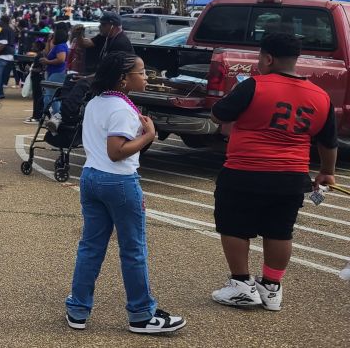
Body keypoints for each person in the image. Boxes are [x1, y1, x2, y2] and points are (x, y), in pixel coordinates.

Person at [208, 33, 337, 311]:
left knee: (234, 225)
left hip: (245, 170)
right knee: (280, 231)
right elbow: (328, 141)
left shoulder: (254, 85)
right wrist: (327, 172)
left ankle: (242, 285)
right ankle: (271, 287)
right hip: (291, 175)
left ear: (268, 58)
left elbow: (219, 114)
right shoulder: (321, 96)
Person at [65, 51, 187, 334]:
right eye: (142, 72)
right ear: (123, 79)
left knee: (91, 246)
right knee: (133, 250)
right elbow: (117, 151)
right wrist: (148, 136)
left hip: (91, 177)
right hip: (118, 181)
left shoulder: (97, 101)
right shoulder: (120, 109)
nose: (146, 77)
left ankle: (78, 309)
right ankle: (142, 315)